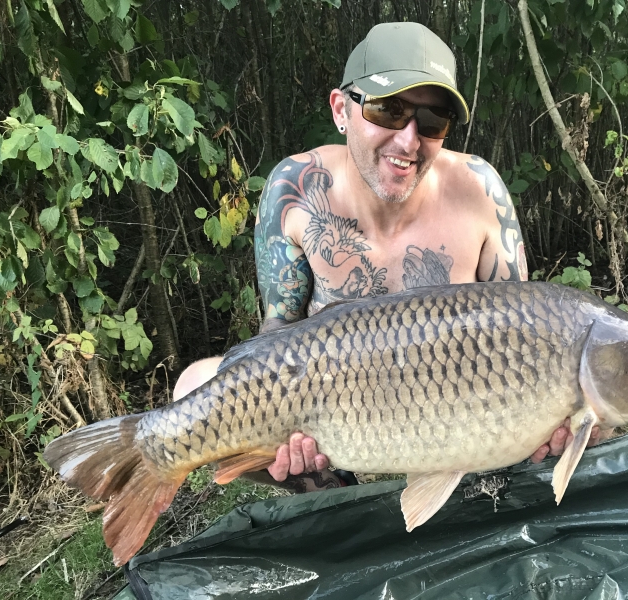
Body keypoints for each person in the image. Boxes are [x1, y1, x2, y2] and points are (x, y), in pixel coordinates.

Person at [173, 22, 605, 492]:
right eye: (388, 110)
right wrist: (292, 446)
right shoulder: (294, 191)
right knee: (194, 388)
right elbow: (277, 335)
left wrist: (563, 416)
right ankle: (335, 503)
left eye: (433, 119)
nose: (409, 141)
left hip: (461, 428)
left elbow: (526, 335)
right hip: (333, 423)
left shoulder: (480, 192)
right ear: (341, 109)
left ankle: (466, 495)